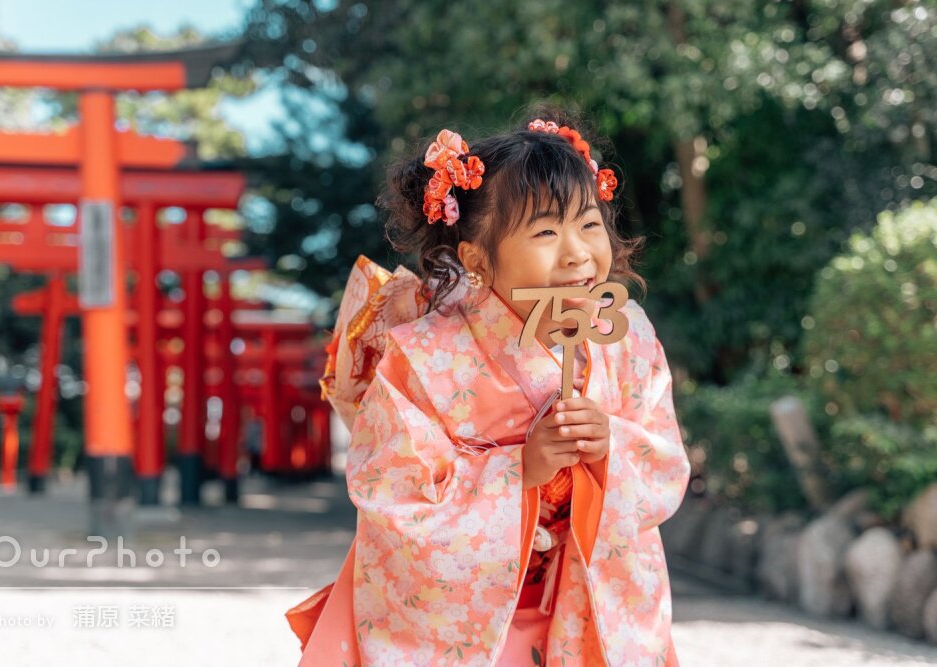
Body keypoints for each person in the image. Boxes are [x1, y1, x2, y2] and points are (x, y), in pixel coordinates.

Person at [285, 103, 692, 666]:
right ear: (477, 257)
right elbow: (391, 494)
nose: (577, 252)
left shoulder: (629, 339)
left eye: (589, 223)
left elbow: (665, 464)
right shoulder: (425, 357)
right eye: (546, 230)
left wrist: (611, 447)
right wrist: (520, 470)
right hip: (473, 623)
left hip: (585, 606)